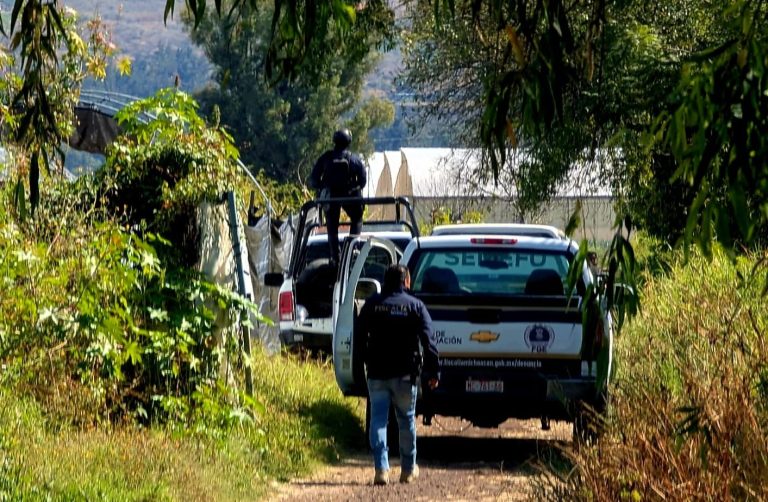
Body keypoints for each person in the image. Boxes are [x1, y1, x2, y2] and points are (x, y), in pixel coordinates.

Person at [356, 264, 440, 486]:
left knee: (378, 421)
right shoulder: (416, 306)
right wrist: (433, 371)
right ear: (407, 281)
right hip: (405, 375)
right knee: (406, 420)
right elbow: (429, 342)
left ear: (385, 281)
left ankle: (381, 469)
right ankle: (408, 469)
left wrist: (360, 367)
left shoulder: (372, 304)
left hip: (377, 373)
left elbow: (358, 338)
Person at [309, 129, 367, 264]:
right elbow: (362, 181)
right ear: (349, 141)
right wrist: (352, 188)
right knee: (357, 218)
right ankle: (352, 248)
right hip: (349, 197)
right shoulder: (354, 159)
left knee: (331, 225)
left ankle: (335, 256)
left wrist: (324, 188)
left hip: (330, 199)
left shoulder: (325, 158)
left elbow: (313, 180)